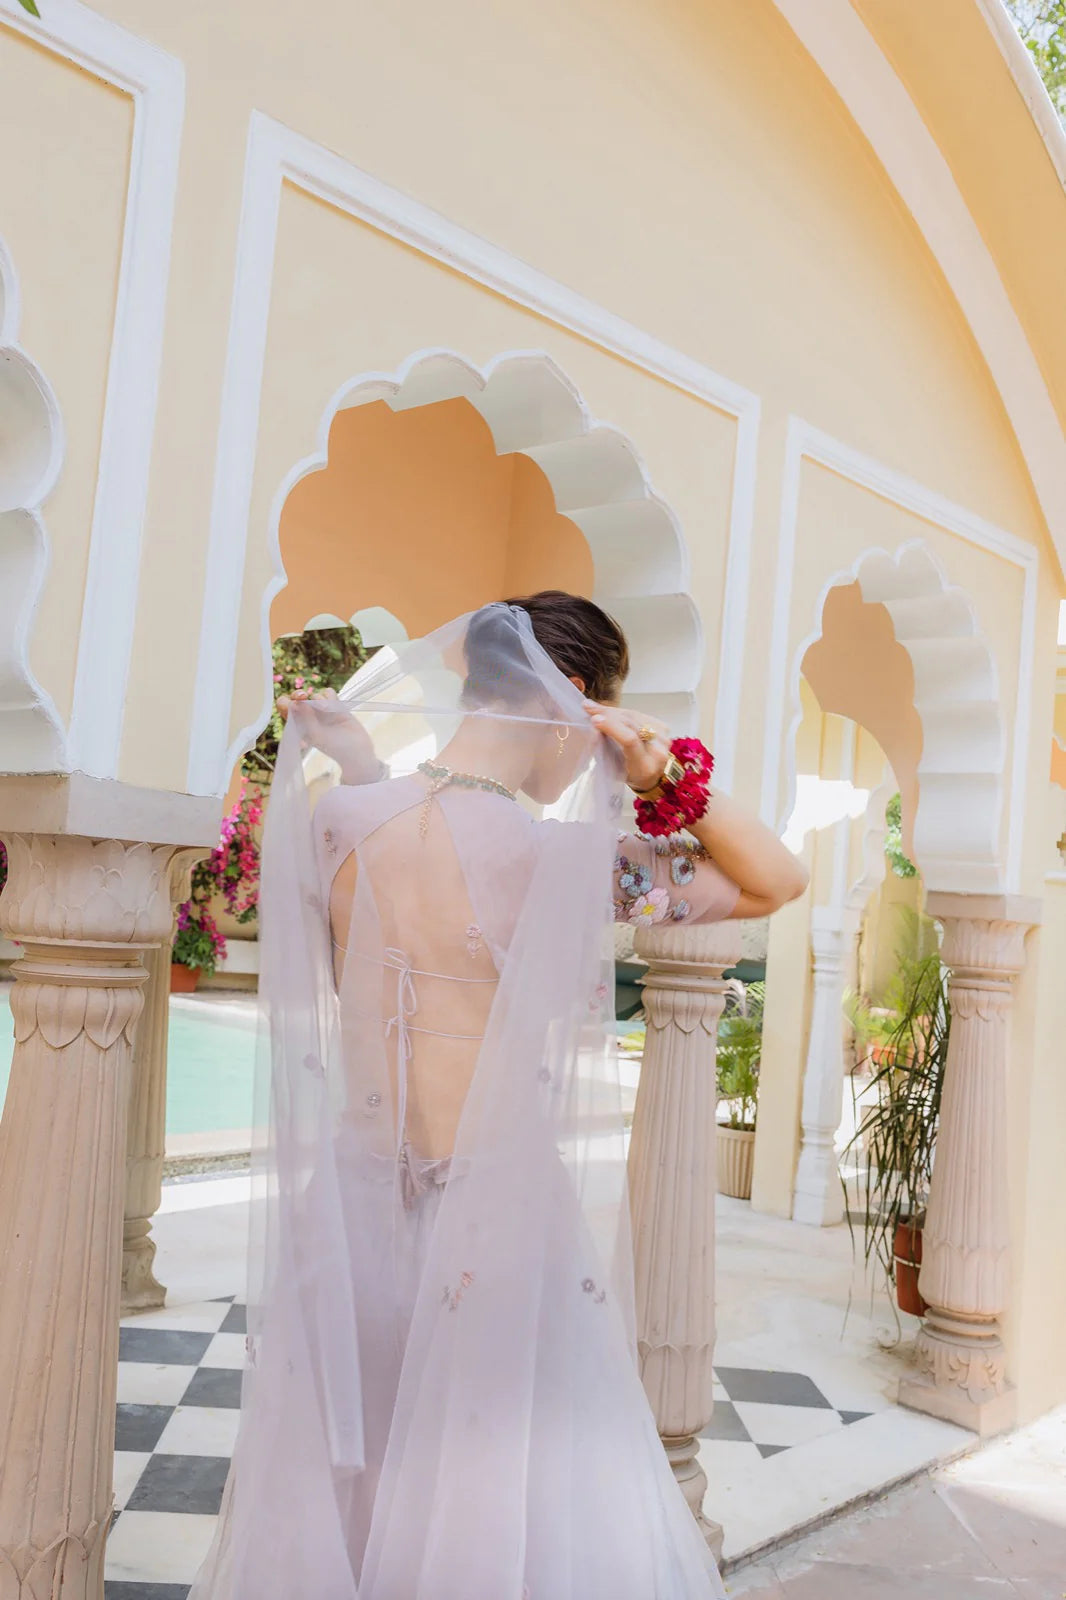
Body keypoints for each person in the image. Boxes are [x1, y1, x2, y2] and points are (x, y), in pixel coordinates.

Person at [190, 592, 806, 1600]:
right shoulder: (564, 863)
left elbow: (366, 880)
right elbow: (775, 879)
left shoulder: (341, 817)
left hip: (350, 1221)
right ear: (574, 710)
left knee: (369, 1478)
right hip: (499, 1232)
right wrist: (666, 775)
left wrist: (363, 767)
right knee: (483, 1502)